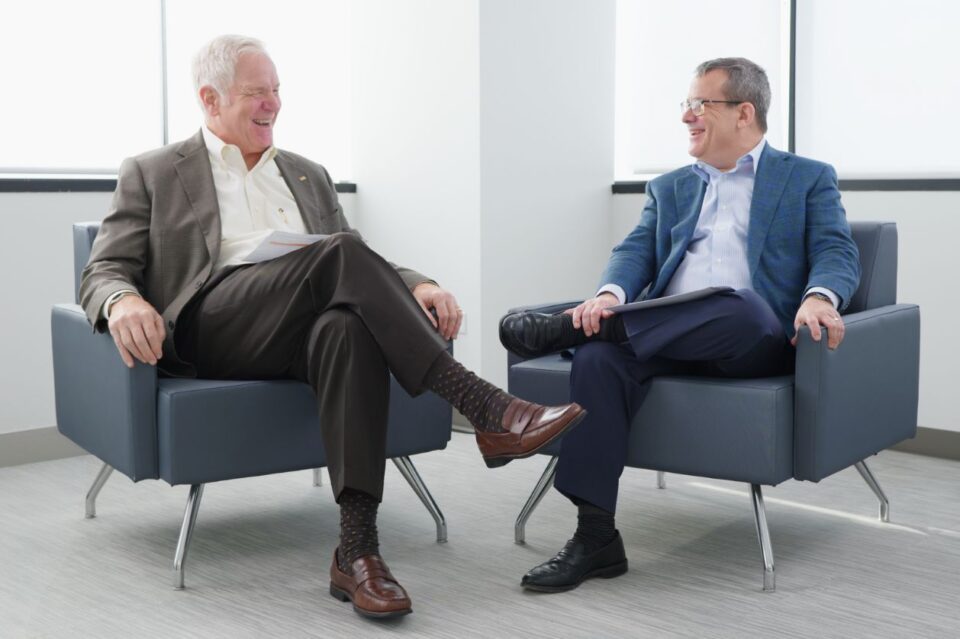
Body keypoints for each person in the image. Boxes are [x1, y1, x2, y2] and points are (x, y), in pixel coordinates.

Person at [80, 34, 584, 620]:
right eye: (255, 93)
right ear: (210, 99)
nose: (272, 104)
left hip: (300, 330)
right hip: (214, 329)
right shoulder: (153, 171)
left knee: (346, 327)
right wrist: (120, 301)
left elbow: (358, 263)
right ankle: (484, 405)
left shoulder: (305, 174)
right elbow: (104, 267)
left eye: (276, 91)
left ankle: (358, 551)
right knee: (337, 257)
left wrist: (418, 283)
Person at [499, 57, 860, 593]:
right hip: (666, 335)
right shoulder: (669, 187)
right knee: (599, 359)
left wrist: (818, 297)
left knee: (738, 305)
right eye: (685, 105)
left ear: (744, 113)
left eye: (700, 104)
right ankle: (596, 536)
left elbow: (836, 249)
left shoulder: (806, 177)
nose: (687, 116)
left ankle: (577, 329)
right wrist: (605, 296)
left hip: (750, 338)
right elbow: (636, 251)